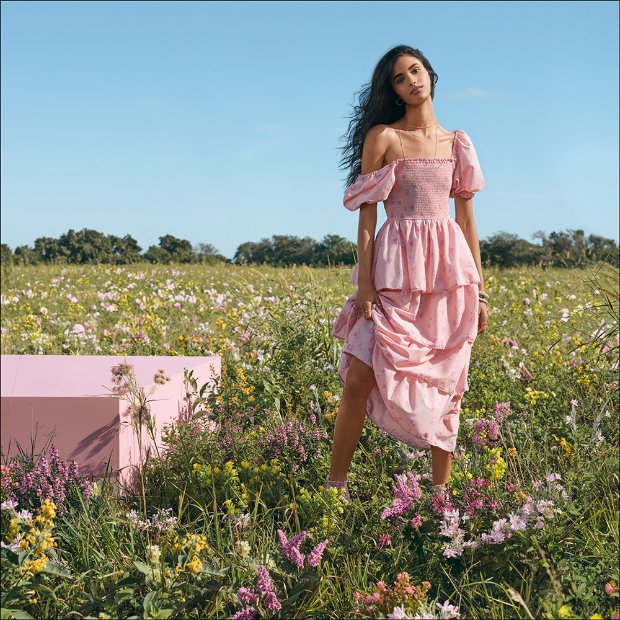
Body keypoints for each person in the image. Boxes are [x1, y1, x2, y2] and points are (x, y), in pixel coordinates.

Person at [326, 45, 489, 502]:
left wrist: (480, 294)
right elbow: (366, 219)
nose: (411, 81)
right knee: (359, 377)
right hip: (393, 274)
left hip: (449, 277)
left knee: (447, 382)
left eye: (415, 71)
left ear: (430, 75)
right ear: (393, 90)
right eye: (400, 78)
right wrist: (364, 284)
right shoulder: (383, 138)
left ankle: (440, 500)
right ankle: (333, 492)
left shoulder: (458, 142)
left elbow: (467, 222)